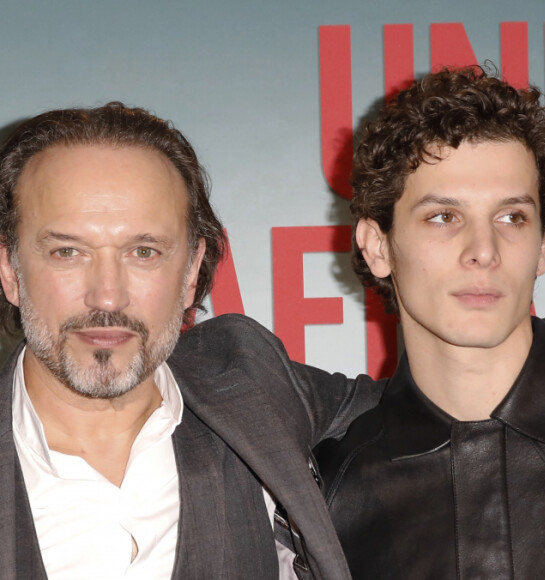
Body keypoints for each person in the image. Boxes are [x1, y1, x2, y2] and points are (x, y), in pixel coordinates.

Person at [0, 103, 384, 579]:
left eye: (144, 252)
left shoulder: (249, 381)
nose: (107, 294)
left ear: (191, 272)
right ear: (10, 270)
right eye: (68, 252)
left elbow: (442, 410)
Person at [315, 66, 545, 579]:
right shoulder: (322, 495)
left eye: (511, 218)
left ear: (544, 243)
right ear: (377, 246)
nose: (483, 252)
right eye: (443, 217)